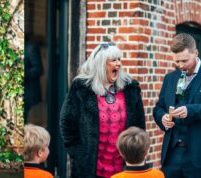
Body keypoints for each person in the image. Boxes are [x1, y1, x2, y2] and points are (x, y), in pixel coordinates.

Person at [60, 41, 146, 178]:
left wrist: (135, 156)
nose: (119, 63)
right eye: (113, 60)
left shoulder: (130, 89)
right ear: (101, 64)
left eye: (119, 59)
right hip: (89, 168)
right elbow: (67, 123)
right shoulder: (81, 88)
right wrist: (78, 154)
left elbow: (139, 126)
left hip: (124, 169)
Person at [154, 33, 201, 178]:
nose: (180, 66)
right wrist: (162, 117)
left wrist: (191, 110)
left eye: (184, 61)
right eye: (177, 62)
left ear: (195, 53)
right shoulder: (170, 78)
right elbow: (159, 107)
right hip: (172, 155)